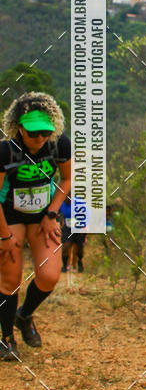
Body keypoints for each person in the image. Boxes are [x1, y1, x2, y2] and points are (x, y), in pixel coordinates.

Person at [0, 92, 72, 361]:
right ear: (19, 127)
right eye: (33, 133)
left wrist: (52, 214)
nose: (40, 138)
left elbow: (65, 181)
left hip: (43, 215)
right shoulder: (5, 151)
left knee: (49, 276)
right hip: (10, 216)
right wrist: (4, 235)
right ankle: (6, 339)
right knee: (10, 278)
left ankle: (24, 315)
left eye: (45, 132)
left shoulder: (59, 145)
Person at [59, 197, 87, 273]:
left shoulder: (80, 203)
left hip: (79, 228)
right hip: (67, 228)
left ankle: (80, 262)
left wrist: (84, 227)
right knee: (65, 247)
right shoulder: (62, 204)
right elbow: (57, 213)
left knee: (79, 249)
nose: (66, 200)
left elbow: (87, 214)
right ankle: (64, 266)